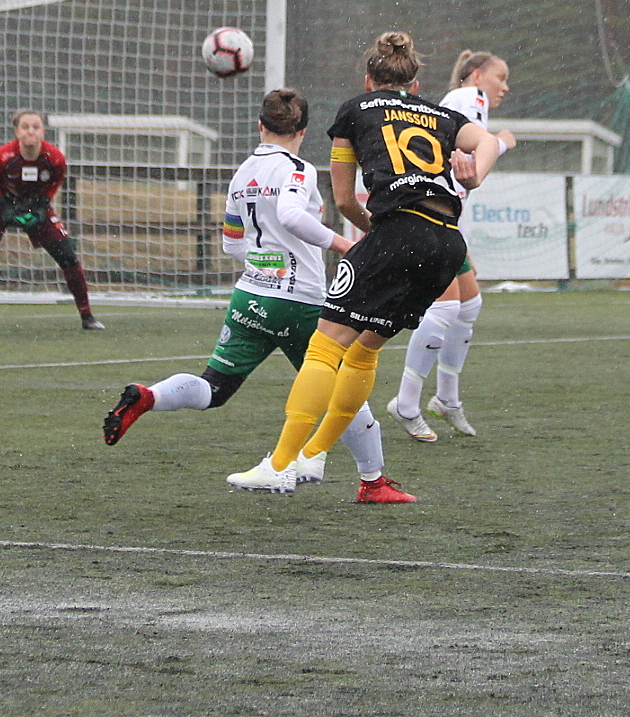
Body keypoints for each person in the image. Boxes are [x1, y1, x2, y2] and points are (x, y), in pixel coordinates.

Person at [101, 88, 414, 503]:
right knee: (344, 389)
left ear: (260, 125)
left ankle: (149, 396)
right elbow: (290, 215)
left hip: (250, 298)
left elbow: (231, 243)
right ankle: (373, 483)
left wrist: (265, 263)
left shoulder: (243, 173)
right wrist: (342, 244)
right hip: (300, 301)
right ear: (303, 131)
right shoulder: (298, 169)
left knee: (214, 388)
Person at [237, 31, 501, 496]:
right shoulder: (440, 114)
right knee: (364, 351)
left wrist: (376, 231)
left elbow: (344, 199)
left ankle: (279, 465)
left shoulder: (354, 110)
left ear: (367, 79)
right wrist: (475, 173)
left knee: (325, 347)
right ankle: (314, 455)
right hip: (446, 242)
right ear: (415, 86)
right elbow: (489, 142)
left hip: (398, 230)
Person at [387, 50, 517, 442]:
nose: (505, 87)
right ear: (476, 75)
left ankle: (446, 398)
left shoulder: (458, 101)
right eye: (500, 77)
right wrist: (502, 143)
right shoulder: (469, 98)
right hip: (428, 216)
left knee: (469, 303)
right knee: (444, 307)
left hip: (442, 217)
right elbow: (471, 156)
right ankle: (406, 402)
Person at [0, 110, 103, 331]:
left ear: (43, 132)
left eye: (36, 127)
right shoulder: (3, 156)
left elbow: (56, 180)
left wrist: (44, 203)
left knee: (68, 256)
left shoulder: (55, 158)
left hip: (34, 204)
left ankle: (87, 316)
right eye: (25, 127)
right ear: (17, 132)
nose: (31, 131)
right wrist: (2, 202)